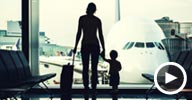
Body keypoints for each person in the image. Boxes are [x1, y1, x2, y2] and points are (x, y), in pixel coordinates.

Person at [73, 2, 105, 93]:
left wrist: (75, 46)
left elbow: (79, 33)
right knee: (94, 68)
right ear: (95, 10)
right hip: (95, 45)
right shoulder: (97, 20)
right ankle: (94, 87)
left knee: (85, 67)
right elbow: (100, 35)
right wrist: (104, 48)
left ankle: (86, 87)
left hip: (85, 44)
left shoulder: (82, 19)